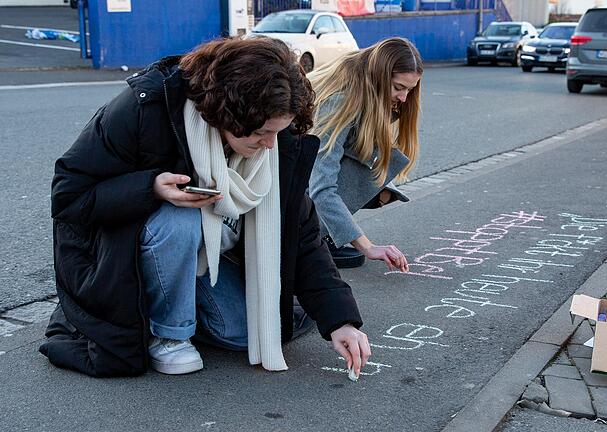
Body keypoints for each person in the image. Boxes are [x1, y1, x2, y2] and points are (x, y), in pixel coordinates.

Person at [39, 37, 371, 377]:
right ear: (226, 112)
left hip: (208, 256)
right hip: (120, 254)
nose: (270, 145)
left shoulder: (272, 132)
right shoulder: (146, 107)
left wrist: (340, 320)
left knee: (244, 332)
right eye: (260, 133)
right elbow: (68, 195)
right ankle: (170, 336)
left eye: (277, 132)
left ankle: (159, 302)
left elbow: (300, 233)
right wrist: (150, 187)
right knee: (181, 220)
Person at [307, 37, 423, 271]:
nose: (404, 98)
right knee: (362, 179)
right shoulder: (341, 100)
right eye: (399, 88)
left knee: (379, 186)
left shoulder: (363, 75)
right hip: (279, 188)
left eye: (409, 90)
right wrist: (368, 247)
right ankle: (311, 237)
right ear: (379, 77)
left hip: (298, 176)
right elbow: (321, 187)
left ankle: (327, 232)